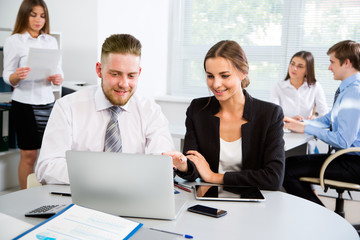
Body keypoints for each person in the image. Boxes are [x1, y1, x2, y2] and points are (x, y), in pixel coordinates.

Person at [35, 33, 174, 184]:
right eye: (115, 74)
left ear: (139, 73)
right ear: (99, 69)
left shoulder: (151, 112)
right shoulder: (67, 107)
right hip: (80, 198)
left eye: (131, 76)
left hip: (132, 199)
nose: (124, 84)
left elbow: (162, 165)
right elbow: (47, 167)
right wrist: (101, 177)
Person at [164, 40, 285, 191]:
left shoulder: (269, 114)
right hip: (210, 198)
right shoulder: (198, 110)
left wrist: (214, 177)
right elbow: (195, 166)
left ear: (243, 73)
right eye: (210, 76)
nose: (216, 84)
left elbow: (273, 178)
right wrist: (183, 165)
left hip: (255, 200)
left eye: (224, 75)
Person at [283, 40, 360, 206]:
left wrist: (308, 127)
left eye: (332, 62)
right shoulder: (349, 88)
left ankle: (325, 219)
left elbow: (343, 140)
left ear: (347, 63)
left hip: (353, 163)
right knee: (290, 163)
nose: (329, 67)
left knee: (286, 170)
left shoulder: (354, 92)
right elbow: (329, 118)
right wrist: (302, 123)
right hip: (348, 159)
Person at [3, 0, 63, 189]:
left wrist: (58, 78)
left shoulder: (51, 41)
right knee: (29, 155)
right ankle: (26, 196)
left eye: (43, 16)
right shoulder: (14, 41)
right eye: (33, 14)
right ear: (25, 15)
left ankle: (46, 194)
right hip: (24, 103)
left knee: (50, 154)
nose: (39, 20)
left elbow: (59, 70)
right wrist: (15, 76)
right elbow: (6, 74)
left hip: (47, 103)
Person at [271, 51, 328, 121]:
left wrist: (315, 118)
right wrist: (290, 119)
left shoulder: (315, 86)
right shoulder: (278, 86)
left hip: (305, 128)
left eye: (300, 66)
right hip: (284, 128)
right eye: (292, 64)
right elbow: (273, 114)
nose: (294, 68)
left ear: (307, 70)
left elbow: (324, 113)